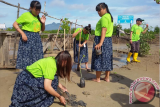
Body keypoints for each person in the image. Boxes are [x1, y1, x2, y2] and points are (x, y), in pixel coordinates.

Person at [13, 1, 46, 70]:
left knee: (37, 56)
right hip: (27, 37)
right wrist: (22, 33)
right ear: (31, 8)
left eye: (39, 10)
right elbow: (15, 24)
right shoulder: (26, 15)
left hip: (36, 38)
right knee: (26, 56)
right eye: (36, 10)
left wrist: (43, 23)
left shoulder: (38, 17)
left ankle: (35, 73)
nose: (38, 11)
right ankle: (24, 74)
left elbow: (42, 29)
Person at [91, 3, 113, 82]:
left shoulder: (104, 17)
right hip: (108, 40)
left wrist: (100, 43)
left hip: (101, 39)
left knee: (98, 58)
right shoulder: (109, 16)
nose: (98, 12)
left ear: (105, 9)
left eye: (99, 10)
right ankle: (107, 77)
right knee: (107, 58)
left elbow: (104, 30)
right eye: (97, 11)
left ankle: (97, 78)